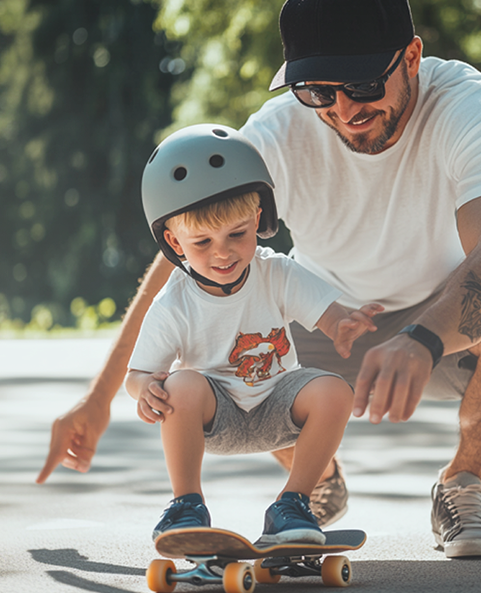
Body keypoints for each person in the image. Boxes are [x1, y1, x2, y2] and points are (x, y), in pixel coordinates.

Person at [38, 0, 481, 559]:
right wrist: (99, 398)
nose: (342, 109)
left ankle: (463, 483)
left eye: (363, 85)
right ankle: (312, 485)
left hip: (444, 319)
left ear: (411, 56)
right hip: (319, 318)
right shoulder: (276, 135)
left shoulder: (473, 106)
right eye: (317, 92)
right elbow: (184, 262)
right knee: (218, 321)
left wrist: (421, 338)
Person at [127, 125, 378, 549]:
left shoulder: (275, 272)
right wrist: (146, 389)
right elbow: (138, 373)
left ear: (258, 220)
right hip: (216, 414)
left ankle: (293, 504)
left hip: (278, 405)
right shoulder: (174, 302)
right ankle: (186, 505)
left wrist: (343, 325)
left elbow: (327, 313)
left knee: (335, 391)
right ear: (174, 242)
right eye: (202, 242)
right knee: (181, 383)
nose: (222, 253)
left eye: (236, 235)